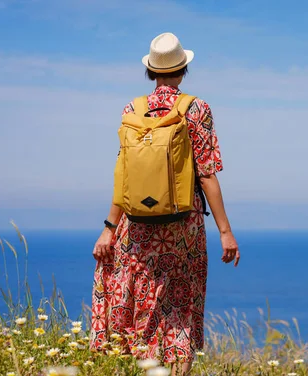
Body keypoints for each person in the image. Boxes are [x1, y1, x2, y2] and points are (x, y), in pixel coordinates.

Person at [89, 32, 240, 375]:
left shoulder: (133, 109)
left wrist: (108, 229)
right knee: (180, 309)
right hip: (181, 228)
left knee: (142, 305)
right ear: (184, 68)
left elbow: (123, 174)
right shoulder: (197, 109)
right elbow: (206, 174)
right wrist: (226, 232)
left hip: (136, 227)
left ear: (151, 71)